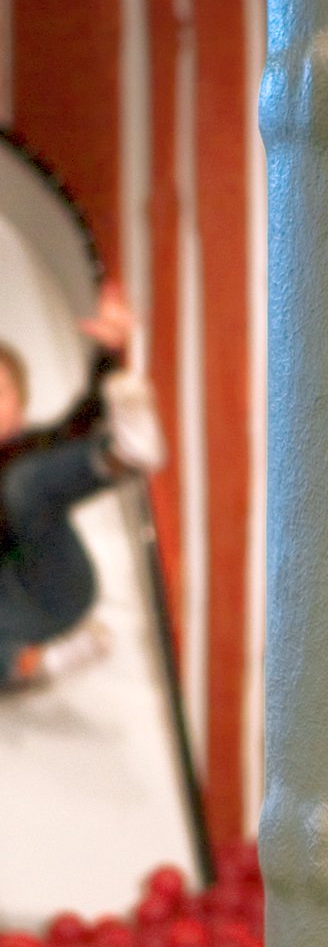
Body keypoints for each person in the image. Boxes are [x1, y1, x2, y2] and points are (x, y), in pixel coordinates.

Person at [0, 281, 165, 691]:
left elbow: (80, 421)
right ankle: (36, 664)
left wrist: (108, 353)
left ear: (21, 408)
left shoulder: (28, 451)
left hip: (58, 581)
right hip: (12, 615)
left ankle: (124, 455)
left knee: (23, 483)